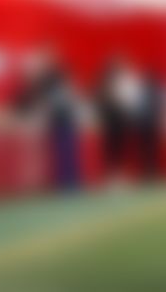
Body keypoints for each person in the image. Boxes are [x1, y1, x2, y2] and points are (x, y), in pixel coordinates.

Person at [12, 46, 83, 194]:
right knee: (63, 152)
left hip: (63, 117)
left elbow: (30, 99)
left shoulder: (52, 77)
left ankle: (69, 184)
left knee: (65, 151)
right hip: (61, 118)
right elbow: (27, 100)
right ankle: (67, 184)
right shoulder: (50, 78)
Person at [93, 56, 142, 189]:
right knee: (112, 149)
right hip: (111, 119)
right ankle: (112, 178)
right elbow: (101, 101)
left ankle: (117, 177)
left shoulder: (122, 81)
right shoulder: (104, 83)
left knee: (118, 148)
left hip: (119, 118)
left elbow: (129, 100)